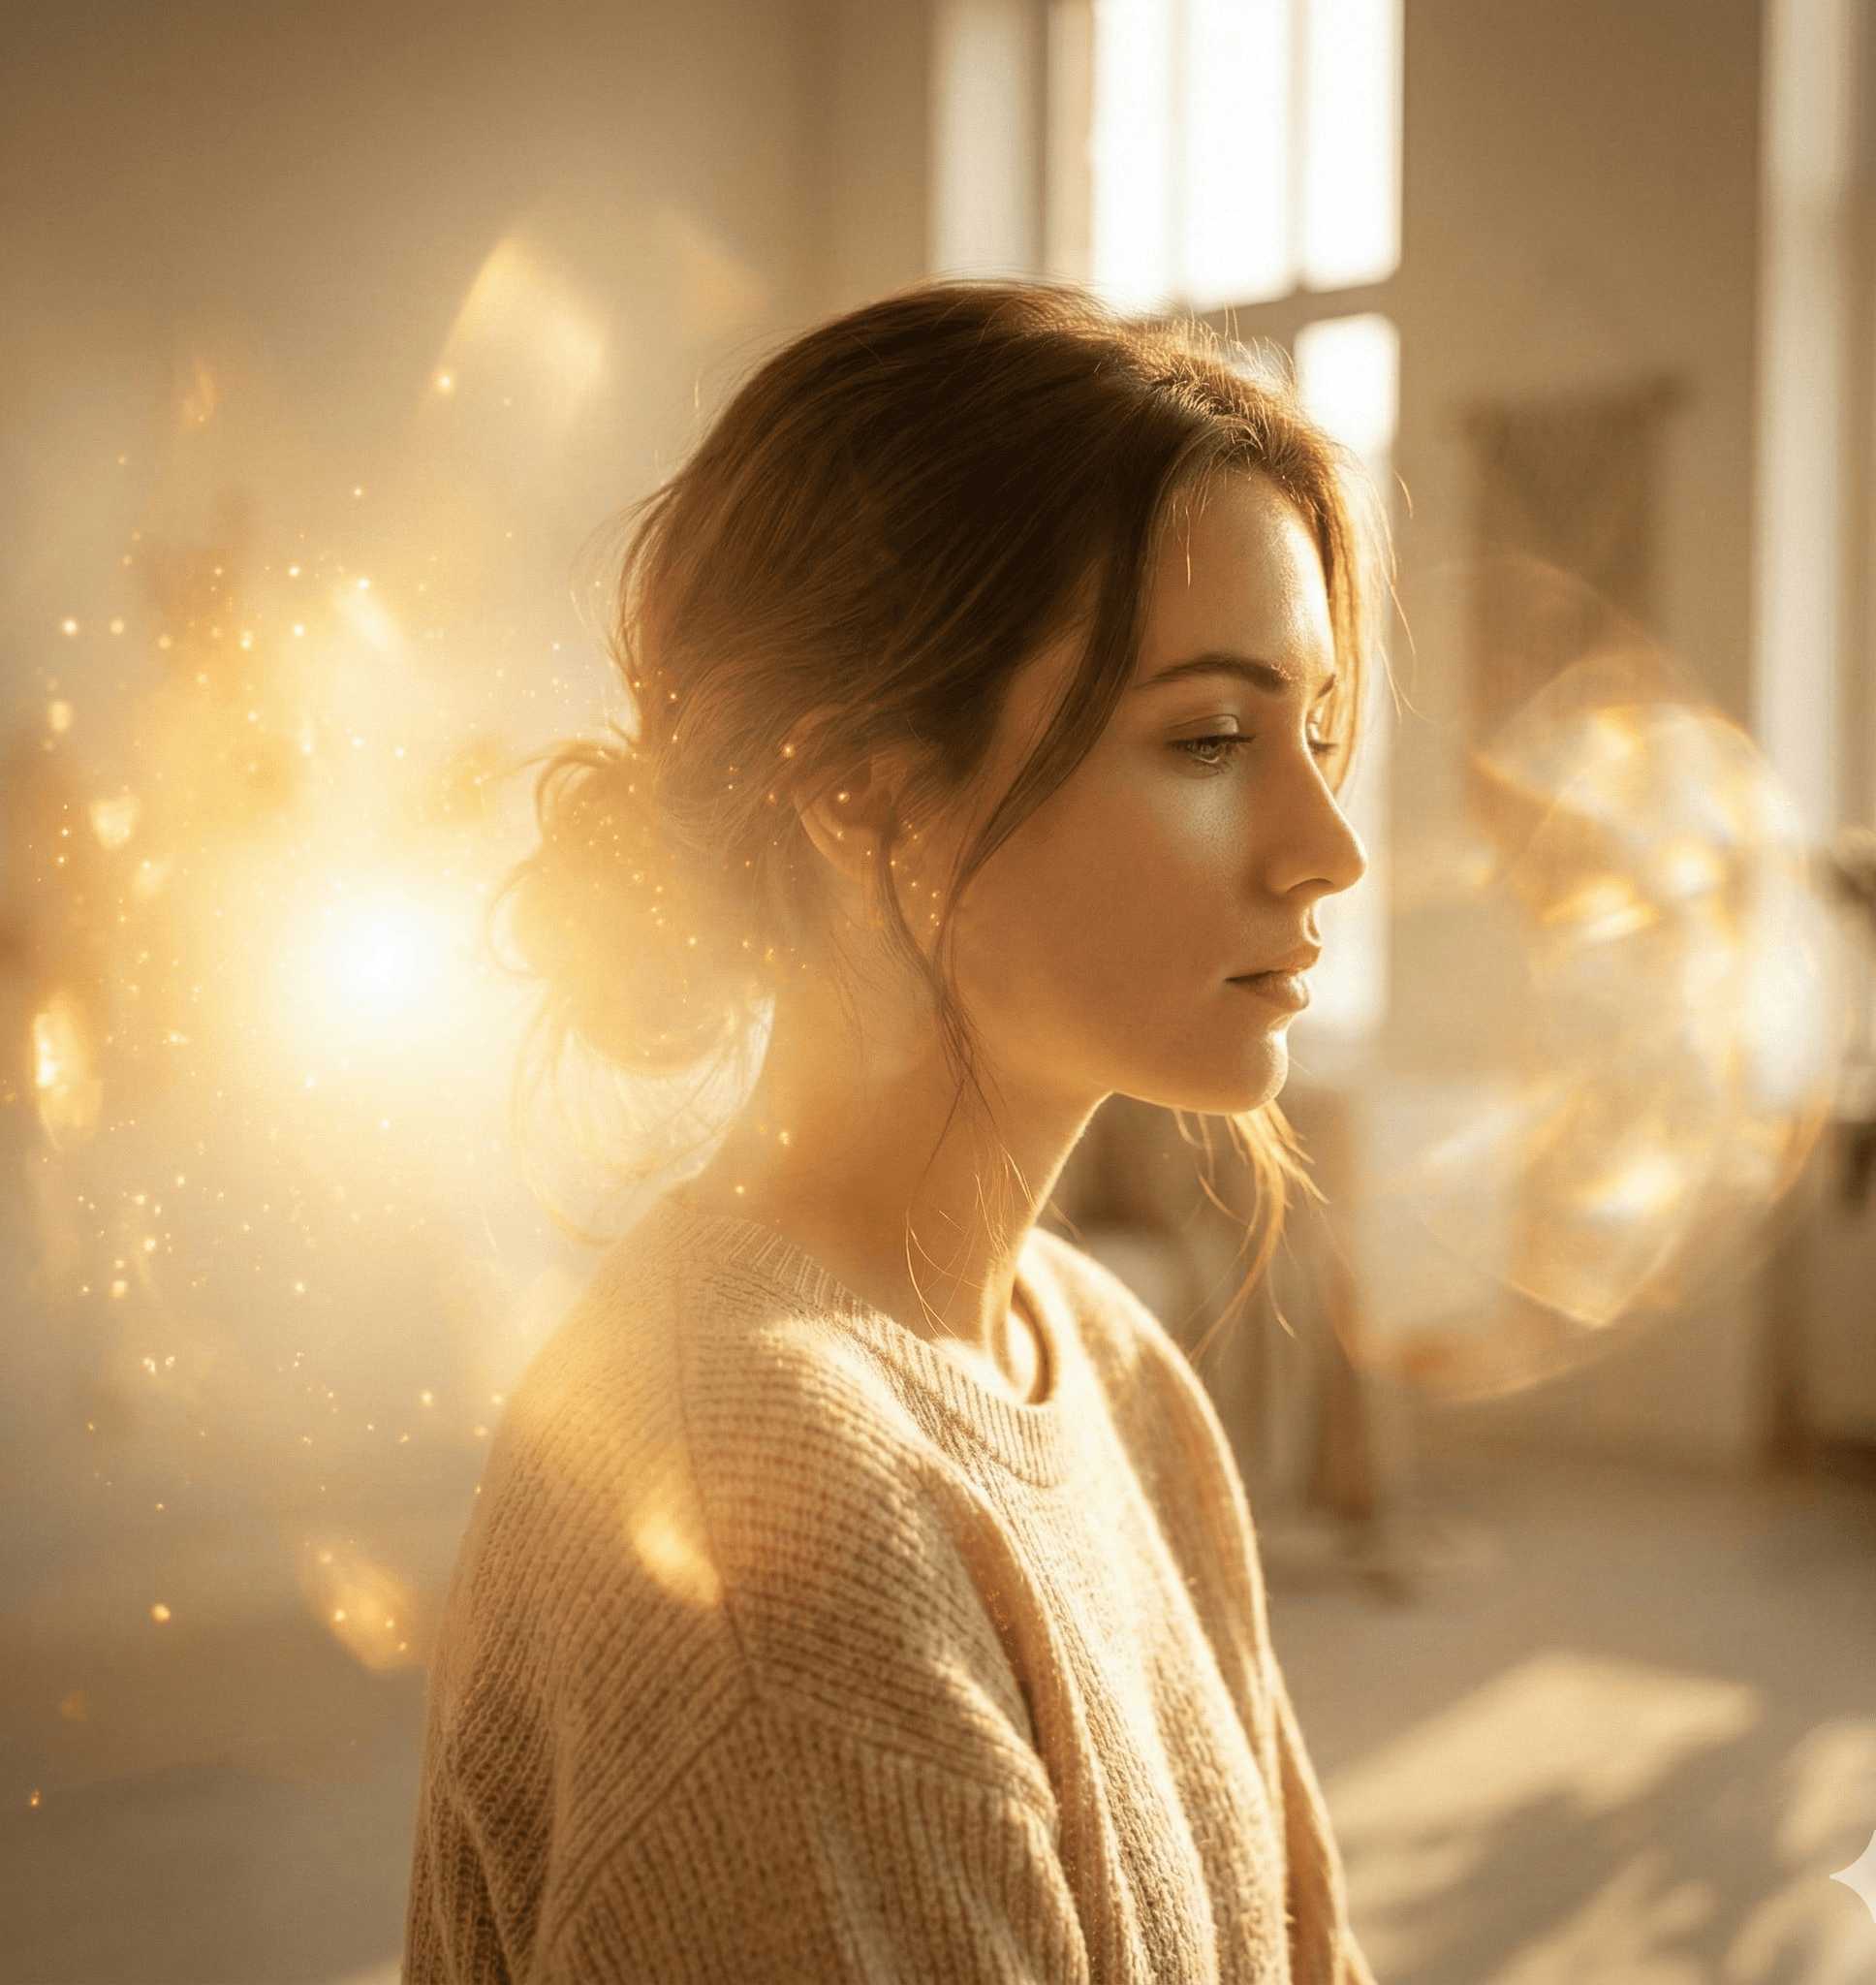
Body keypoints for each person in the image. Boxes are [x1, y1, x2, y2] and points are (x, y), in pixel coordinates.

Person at [402, 275, 1384, 1982]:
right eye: (1213, 736)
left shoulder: (1111, 1364)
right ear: (862, 782)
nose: (1326, 845)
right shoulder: (769, 1531)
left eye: (1311, 732)